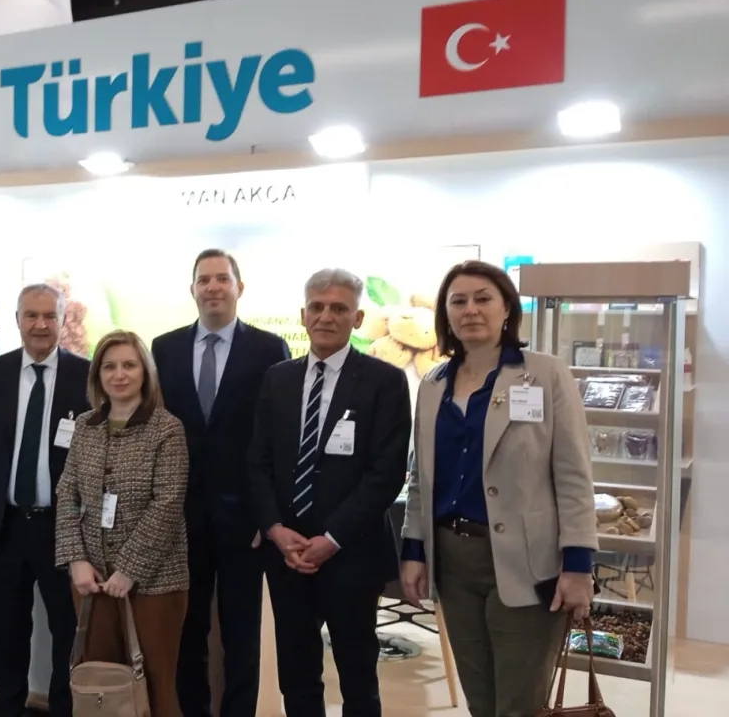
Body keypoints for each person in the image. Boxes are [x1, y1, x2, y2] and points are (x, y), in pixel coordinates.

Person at [399, 260, 597, 717]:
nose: (471, 309)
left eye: (483, 298)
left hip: (527, 562)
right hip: (453, 562)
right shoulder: (433, 384)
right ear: (446, 315)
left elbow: (573, 475)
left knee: (519, 703)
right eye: (458, 301)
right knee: (481, 700)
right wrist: (413, 550)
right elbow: (421, 478)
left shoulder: (544, 374)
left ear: (506, 307)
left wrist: (578, 565)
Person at [247, 267, 411, 716]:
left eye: (339, 308)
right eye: (316, 307)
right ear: (302, 315)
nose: (326, 316)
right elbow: (257, 462)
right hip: (287, 556)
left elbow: (386, 473)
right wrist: (275, 529)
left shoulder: (384, 381)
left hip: (351, 554)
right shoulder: (277, 378)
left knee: (358, 678)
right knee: (296, 676)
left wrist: (332, 539)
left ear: (357, 319)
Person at [150, 248, 289, 717]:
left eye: (222, 279)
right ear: (192, 289)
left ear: (239, 288)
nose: (212, 287)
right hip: (179, 519)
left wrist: (267, 517)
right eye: (204, 279)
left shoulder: (269, 349)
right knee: (187, 634)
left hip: (245, 523)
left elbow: (277, 440)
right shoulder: (164, 348)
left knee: (241, 636)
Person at [0, 283, 92, 717]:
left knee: (67, 631)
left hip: (64, 529)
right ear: (17, 319)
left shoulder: (86, 376)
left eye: (49, 316)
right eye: (31, 315)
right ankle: (8, 708)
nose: (40, 324)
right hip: (6, 525)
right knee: (8, 632)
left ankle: (63, 710)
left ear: (62, 320)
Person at [55, 330, 189, 717]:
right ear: (97, 375)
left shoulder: (167, 429)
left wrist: (129, 569)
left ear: (145, 373)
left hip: (155, 584)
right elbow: (68, 495)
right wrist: (76, 560)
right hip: (92, 581)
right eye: (109, 366)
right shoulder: (86, 425)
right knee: (103, 687)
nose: (119, 374)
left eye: (129, 365)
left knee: (155, 687)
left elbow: (167, 504)